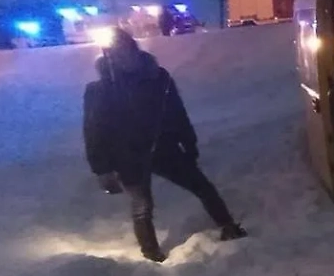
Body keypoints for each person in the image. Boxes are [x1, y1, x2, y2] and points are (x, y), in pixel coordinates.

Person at [83, 29, 245, 261]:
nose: (123, 58)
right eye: (117, 54)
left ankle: (228, 226)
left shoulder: (157, 77)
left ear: (134, 49)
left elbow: (176, 111)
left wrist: (188, 141)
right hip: (127, 156)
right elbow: (93, 130)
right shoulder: (99, 89)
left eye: (126, 51)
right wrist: (102, 169)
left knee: (202, 186)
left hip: (163, 147)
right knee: (142, 206)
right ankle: (151, 253)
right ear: (109, 56)